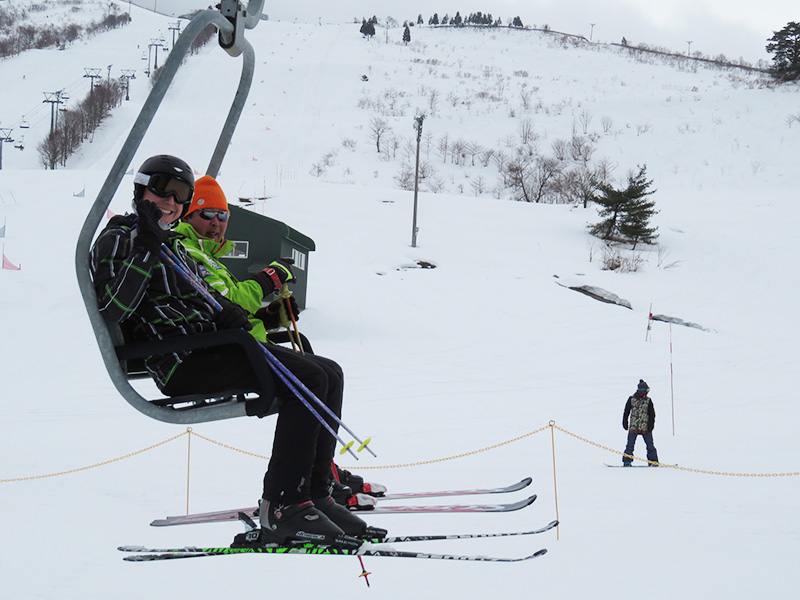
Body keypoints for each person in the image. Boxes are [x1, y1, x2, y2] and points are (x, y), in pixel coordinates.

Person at [90, 155, 384, 547]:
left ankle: (314, 493)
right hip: (181, 360)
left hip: (212, 345)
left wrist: (228, 313)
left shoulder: (173, 243)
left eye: (181, 195)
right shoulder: (120, 237)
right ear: (141, 189)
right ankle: (284, 506)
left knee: (328, 372)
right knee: (309, 378)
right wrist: (145, 249)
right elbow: (113, 308)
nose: (172, 201)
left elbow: (201, 295)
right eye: (163, 189)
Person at [174, 175, 387, 506]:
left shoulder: (210, 258)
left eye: (223, 216)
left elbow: (231, 313)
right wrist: (268, 278)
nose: (216, 224)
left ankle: (320, 476)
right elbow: (229, 299)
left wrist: (272, 317)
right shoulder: (186, 251)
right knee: (313, 377)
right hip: (217, 353)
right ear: (188, 216)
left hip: (238, 346)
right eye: (207, 214)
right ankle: (290, 499)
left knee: (331, 372)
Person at [621, 379, 659, 466]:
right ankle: (627, 461)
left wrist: (650, 426)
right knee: (630, 445)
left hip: (645, 427)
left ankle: (653, 461)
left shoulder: (648, 401)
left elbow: (652, 414)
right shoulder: (631, 399)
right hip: (633, 427)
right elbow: (626, 411)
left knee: (650, 445)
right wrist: (625, 422)